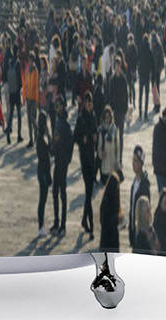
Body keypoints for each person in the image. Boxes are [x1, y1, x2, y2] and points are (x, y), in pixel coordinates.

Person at [74, 91, 98, 239]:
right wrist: (82, 139)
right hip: (84, 158)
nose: (89, 105)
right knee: (88, 192)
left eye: (91, 103)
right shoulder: (81, 119)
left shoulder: (94, 117)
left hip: (92, 158)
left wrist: (95, 137)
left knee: (89, 192)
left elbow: (95, 131)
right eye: (87, 103)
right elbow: (75, 136)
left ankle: (84, 220)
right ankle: (91, 226)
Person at [51, 94, 73, 235]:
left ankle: (63, 224)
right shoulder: (58, 122)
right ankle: (57, 221)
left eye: (58, 105)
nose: (56, 107)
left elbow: (69, 144)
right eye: (56, 105)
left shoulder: (64, 124)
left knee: (62, 193)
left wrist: (66, 159)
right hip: (57, 160)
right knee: (54, 192)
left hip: (62, 162)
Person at [128, 144, 151, 249]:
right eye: (133, 160)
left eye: (136, 161)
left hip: (141, 232)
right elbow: (132, 207)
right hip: (134, 230)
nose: (134, 164)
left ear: (141, 163)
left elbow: (146, 209)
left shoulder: (144, 184)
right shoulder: (134, 182)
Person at [108, 56, 128, 163]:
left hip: (121, 110)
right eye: (116, 66)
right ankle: (115, 156)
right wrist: (111, 108)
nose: (117, 68)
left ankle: (120, 158)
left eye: (119, 66)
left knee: (121, 136)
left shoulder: (123, 79)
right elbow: (110, 95)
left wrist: (125, 109)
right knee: (115, 135)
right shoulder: (112, 80)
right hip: (115, 111)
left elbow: (126, 94)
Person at [35, 111, 52, 237]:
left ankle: (42, 224)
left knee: (44, 199)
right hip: (43, 171)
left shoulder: (43, 135)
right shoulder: (40, 138)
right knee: (42, 199)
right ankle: (40, 225)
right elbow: (45, 155)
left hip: (44, 170)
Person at [98, 168, 123, 253]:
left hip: (109, 241)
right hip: (108, 242)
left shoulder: (108, 199)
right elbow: (105, 221)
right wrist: (117, 219)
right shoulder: (108, 202)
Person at [152, 106, 166, 195]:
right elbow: (157, 151)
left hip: (164, 168)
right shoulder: (158, 129)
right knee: (163, 195)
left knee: (165, 194)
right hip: (160, 168)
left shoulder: (163, 128)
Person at [4, 45, 23, 144]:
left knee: (10, 113)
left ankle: (8, 133)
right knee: (19, 114)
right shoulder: (17, 63)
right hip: (16, 92)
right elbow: (19, 79)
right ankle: (19, 134)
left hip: (11, 91)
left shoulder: (9, 62)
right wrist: (20, 87)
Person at [97, 104, 120, 185]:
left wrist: (118, 161)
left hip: (113, 166)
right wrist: (101, 154)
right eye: (106, 117)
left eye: (109, 117)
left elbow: (118, 147)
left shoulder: (114, 129)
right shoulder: (101, 131)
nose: (107, 119)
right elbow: (99, 148)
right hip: (105, 167)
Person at [24, 52, 40, 148]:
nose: (29, 62)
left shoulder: (35, 72)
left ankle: (36, 138)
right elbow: (26, 85)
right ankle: (31, 139)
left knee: (34, 121)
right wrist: (25, 96)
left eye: (30, 60)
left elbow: (37, 87)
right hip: (28, 98)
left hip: (34, 99)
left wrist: (37, 101)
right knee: (29, 121)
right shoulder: (27, 70)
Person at [137, 32, 153, 120]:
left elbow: (138, 58)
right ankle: (145, 114)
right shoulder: (149, 50)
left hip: (141, 74)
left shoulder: (140, 48)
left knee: (140, 95)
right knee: (146, 95)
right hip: (147, 74)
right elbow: (151, 62)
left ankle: (140, 113)